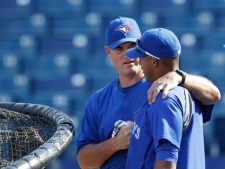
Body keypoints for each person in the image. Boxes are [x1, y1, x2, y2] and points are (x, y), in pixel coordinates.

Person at [76, 17, 221, 169]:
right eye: (119, 48)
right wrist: (115, 143)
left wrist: (180, 76)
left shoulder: (163, 87)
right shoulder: (98, 100)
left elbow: (214, 94)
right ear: (108, 52)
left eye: (132, 46)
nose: (127, 54)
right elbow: (84, 161)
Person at [125, 28, 217, 169]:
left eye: (142, 57)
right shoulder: (188, 91)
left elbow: (167, 162)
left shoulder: (165, 98)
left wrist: (180, 76)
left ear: (154, 61)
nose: (138, 62)